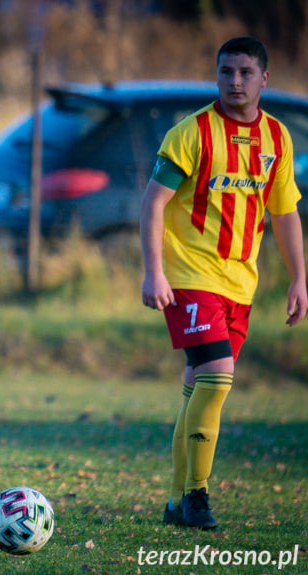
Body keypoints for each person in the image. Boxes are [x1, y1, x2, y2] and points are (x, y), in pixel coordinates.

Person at [140, 36, 306, 530]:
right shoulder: (191, 133)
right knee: (218, 374)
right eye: (227, 71)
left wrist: (300, 278)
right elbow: (152, 203)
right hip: (190, 276)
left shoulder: (278, 139)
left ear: (264, 79)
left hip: (240, 283)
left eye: (245, 73)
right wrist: (154, 270)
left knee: (198, 388)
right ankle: (197, 494)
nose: (235, 81)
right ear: (216, 75)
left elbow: (285, 213)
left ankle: (173, 504)